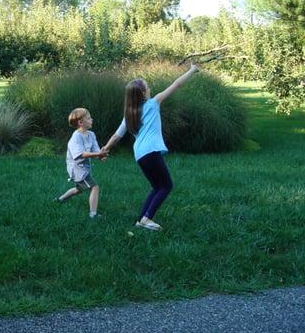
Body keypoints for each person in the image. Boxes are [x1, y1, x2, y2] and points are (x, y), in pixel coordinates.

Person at [102, 64, 200, 231]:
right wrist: (192, 70)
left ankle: (140, 220)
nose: (150, 88)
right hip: (151, 151)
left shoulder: (129, 114)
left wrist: (105, 149)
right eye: (147, 86)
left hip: (140, 154)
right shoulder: (154, 103)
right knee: (166, 186)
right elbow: (176, 84)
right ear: (142, 93)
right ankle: (147, 219)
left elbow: (116, 136)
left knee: (157, 186)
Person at [54, 108, 108, 218]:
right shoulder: (76, 137)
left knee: (79, 189)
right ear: (80, 122)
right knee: (94, 187)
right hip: (77, 168)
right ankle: (93, 214)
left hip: (84, 167)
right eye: (88, 118)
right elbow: (80, 154)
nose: (92, 119)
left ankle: (60, 199)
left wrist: (101, 155)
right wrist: (98, 154)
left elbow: (96, 151)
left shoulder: (91, 135)